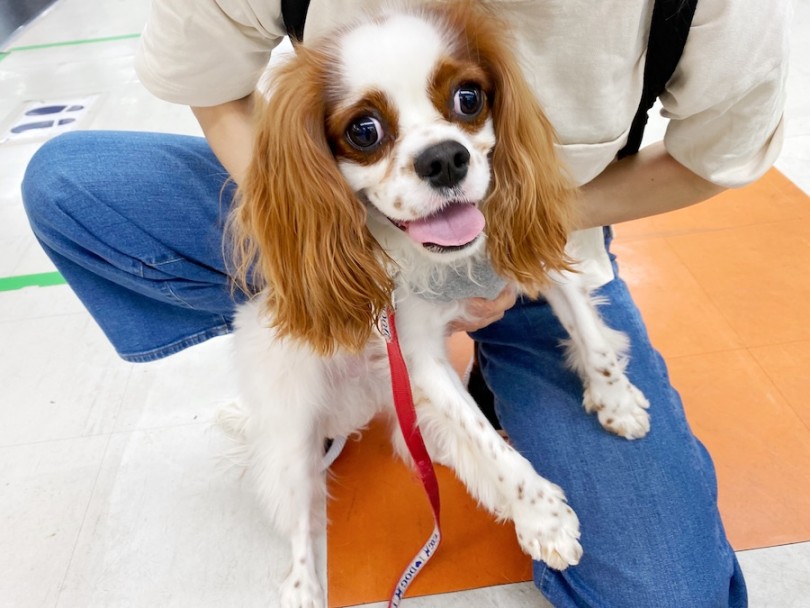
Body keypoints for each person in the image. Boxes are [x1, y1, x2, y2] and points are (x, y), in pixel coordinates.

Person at [20, 0, 790, 606]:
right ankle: (334, 356)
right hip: (351, 234)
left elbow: (715, 156)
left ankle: (494, 377)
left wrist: (516, 233)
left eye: (466, 100)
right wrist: (343, 254)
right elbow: (213, 90)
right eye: (363, 129)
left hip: (536, 245)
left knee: (667, 592)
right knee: (76, 189)